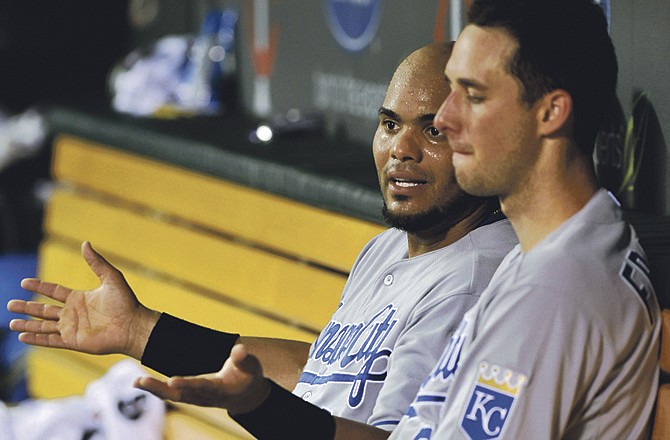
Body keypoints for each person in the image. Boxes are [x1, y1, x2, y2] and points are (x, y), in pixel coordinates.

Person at [118, 0, 661, 439]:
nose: (447, 120)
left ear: (549, 112)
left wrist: (264, 411)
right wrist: (260, 403)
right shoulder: (547, 253)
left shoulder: (556, 292)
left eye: (472, 96)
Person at [7, 42, 518, 432]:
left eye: (433, 132)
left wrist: (262, 410)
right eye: (389, 124)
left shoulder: (474, 282)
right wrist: (141, 330)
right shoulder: (390, 245)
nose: (400, 149)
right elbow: (324, 372)